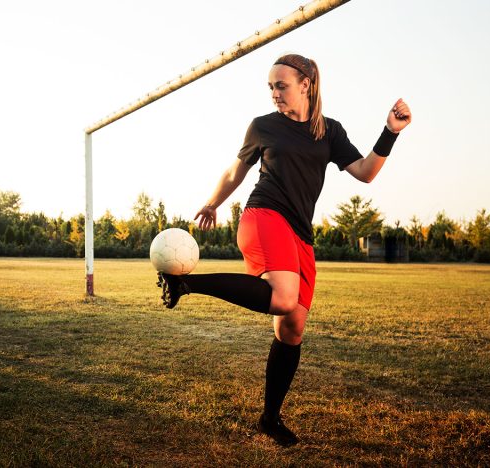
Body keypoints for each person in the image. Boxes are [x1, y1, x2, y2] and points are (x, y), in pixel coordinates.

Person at [156, 53, 412, 446]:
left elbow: (365, 172)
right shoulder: (262, 127)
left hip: (299, 234)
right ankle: (184, 284)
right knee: (282, 298)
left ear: (306, 83)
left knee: (291, 329)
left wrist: (390, 131)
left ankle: (269, 419)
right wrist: (213, 203)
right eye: (271, 87)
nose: (275, 93)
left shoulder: (329, 131)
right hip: (263, 216)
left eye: (282, 85)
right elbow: (235, 172)